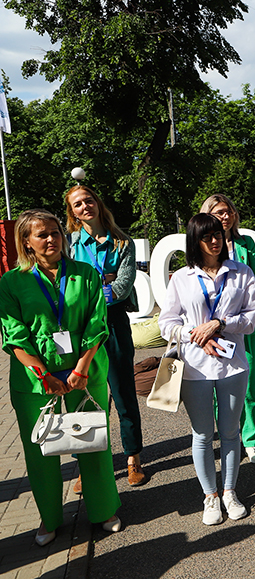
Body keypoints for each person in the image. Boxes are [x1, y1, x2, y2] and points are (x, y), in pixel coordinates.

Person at [0, 209, 121, 546]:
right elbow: (13, 335)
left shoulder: (84, 274)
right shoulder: (11, 282)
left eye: (55, 232)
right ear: (27, 241)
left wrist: (82, 367)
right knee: (41, 452)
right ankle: (49, 518)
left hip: (85, 372)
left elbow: (97, 324)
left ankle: (104, 509)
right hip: (35, 382)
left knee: (92, 443)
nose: (52, 239)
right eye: (42, 234)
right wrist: (43, 374)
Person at [158, 214, 255, 525]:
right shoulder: (181, 277)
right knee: (202, 434)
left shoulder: (241, 273)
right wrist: (195, 335)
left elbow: (252, 317)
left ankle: (229, 491)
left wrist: (220, 323)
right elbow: (166, 324)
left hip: (232, 365)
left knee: (230, 432)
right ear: (194, 241)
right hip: (194, 368)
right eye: (206, 236)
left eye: (217, 234)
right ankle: (210, 496)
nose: (214, 241)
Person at [65, 185, 146, 487]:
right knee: (84, 397)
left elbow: (121, 289)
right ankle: (88, 465)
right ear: (72, 212)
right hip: (80, 327)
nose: (85, 206)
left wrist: (89, 288)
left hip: (113, 324)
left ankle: (133, 458)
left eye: (88, 200)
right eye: (78, 204)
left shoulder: (122, 242)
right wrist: (102, 283)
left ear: (98, 203)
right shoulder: (70, 244)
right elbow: (67, 288)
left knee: (123, 392)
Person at [200, 194, 255, 464]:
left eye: (228, 211)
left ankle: (251, 440)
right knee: (219, 384)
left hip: (246, 323)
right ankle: (230, 437)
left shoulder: (245, 243)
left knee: (248, 382)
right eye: (218, 212)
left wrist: (244, 311)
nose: (225, 216)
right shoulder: (200, 246)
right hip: (214, 328)